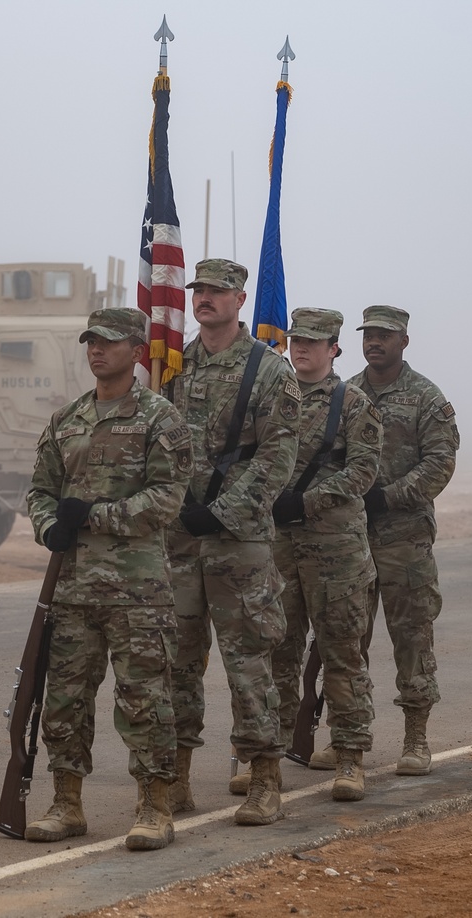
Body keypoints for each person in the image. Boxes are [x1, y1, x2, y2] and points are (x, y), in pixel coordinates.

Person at [25, 306, 193, 851]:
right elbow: (40, 490)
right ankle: (66, 803)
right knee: (65, 700)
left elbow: (167, 498)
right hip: (72, 591)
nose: (97, 350)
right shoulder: (67, 420)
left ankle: (153, 806)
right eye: (91, 342)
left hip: (137, 591)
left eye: (109, 342)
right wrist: (50, 524)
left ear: (137, 351)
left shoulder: (160, 419)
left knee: (145, 701)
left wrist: (93, 515)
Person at [164, 258, 301, 826]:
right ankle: (173, 778)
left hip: (238, 541)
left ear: (242, 299)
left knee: (248, 663)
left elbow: (278, 457)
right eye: (200, 290)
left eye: (219, 291)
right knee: (176, 660)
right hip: (177, 541)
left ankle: (264, 777)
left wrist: (219, 514)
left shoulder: (270, 371)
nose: (206, 299)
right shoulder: (170, 365)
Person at [229, 308, 382, 801]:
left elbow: (363, 472)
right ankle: (262, 760)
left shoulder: (354, 403)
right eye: (297, 340)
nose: (302, 348)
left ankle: (350, 756)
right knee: (275, 655)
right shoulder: (270, 398)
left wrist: (308, 500)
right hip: (277, 545)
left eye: (314, 342)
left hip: (335, 547)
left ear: (335, 348)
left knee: (342, 655)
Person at [308, 305, 459, 776]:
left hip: (403, 538)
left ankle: (416, 737)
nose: (374, 342)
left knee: (411, 634)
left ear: (404, 342)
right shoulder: (344, 393)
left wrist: (388, 496)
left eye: (385, 336)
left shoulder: (425, 398)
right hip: (347, 537)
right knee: (345, 639)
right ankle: (345, 736)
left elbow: (440, 463)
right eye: (368, 335)